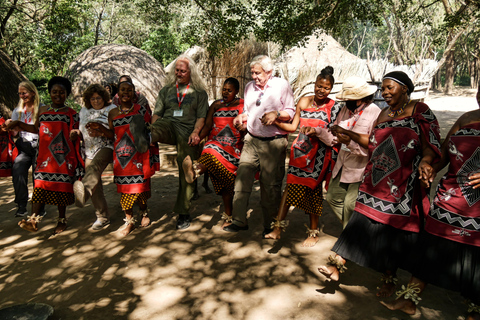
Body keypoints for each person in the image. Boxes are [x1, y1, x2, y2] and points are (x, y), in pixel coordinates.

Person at [317, 71, 441, 298]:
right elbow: (372, 144)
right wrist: (349, 135)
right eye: (382, 89)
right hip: (375, 182)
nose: (384, 92)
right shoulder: (384, 114)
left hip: (404, 186)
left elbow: (431, 145)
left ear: (404, 88)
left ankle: (389, 281)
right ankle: (336, 265)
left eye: (389, 88)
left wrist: (426, 161)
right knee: (358, 223)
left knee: (393, 236)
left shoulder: (419, 111)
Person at [381, 86, 480, 318]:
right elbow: (444, 154)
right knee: (431, 248)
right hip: (450, 197)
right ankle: (408, 299)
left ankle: (475, 307)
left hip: (476, 208)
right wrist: (430, 168)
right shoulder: (466, 118)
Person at [264, 66, 341, 247]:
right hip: (299, 152)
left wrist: (317, 132)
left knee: (313, 190)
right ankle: (277, 228)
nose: (321, 90)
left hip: (320, 155)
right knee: (290, 186)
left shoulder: (335, 107)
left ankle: (313, 233)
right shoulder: (304, 101)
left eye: (326, 87)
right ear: (314, 84)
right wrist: (275, 121)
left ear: (331, 89)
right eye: (318, 86)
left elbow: (334, 135)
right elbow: (293, 127)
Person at [130, 54, 209, 230]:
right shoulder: (166, 91)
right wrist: (153, 129)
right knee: (160, 124)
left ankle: (183, 212)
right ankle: (148, 136)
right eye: (177, 70)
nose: (179, 73)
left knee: (185, 166)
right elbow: (157, 114)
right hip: (168, 125)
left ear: (191, 73)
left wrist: (196, 133)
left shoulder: (199, 93)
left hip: (188, 131)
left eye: (183, 71)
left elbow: (202, 117)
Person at [223, 55, 295, 235]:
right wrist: (241, 118)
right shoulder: (249, 87)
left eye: (257, 73)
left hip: (274, 142)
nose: (254, 76)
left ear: (269, 72)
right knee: (242, 177)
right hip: (251, 139)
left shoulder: (281, 85)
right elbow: (248, 111)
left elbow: (290, 111)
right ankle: (239, 220)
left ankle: (271, 225)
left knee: (270, 185)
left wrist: (276, 114)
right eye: (252, 73)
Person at [7, 76, 81, 234]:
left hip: (63, 157)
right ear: (50, 93)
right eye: (54, 92)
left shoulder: (72, 113)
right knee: (39, 187)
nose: (58, 95)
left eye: (62, 92)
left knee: (61, 189)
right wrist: (19, 124)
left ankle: (62, 220)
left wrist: (75, 133)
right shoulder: (42, 111)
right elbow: (36, 129)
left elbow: (75, 132)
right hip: (44, 156)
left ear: (66, 94)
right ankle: (33, 220)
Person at [313, 76, 381, 229]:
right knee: (332, 197)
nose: (344, 101)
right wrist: (317, 131)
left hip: (361, 168)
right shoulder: (346, 109)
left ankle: (348, 242)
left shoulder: (374, 112)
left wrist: (348, 142)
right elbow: (333, 134)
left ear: (359, 99)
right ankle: (351, 234)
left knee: (350, 204)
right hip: (343, 164)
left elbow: (372, 145)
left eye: (348, 98)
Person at [182, 78, 244, 227]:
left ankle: (228, 215)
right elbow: (208, 125)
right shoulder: (216, 105)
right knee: (209, 149)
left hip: (232, 147)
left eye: (229, 90)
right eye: (224, 89)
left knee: (226, 184)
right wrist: (198, 137)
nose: (225, 92)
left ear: (236, 92)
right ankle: (195, 172)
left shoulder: (243, 104)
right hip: (215, 143)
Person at [107, 80, 153, 237]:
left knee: (140, 188)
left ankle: (144, 212)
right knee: (125, 190)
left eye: (129, 90)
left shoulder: (141, 110)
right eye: (122, 90)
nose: (126, 92)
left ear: (134, 93)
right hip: (121, 157)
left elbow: (149, 131)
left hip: (139, 156)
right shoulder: (113, 113)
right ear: (118, 94)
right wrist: (99, 129)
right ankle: (130, 221)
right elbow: (112, 134)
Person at [70, 84, 116, 230]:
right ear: (88, 100)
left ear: (104, 98)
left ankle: (83, 193)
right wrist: (76, 133)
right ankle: (102, 217)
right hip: (88, 149)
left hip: (106, 147)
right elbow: (81, 129)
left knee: (94, 169)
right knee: (96, 184)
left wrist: (101, 131)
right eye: (93, 98)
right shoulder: (84, 111)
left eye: (99, 98)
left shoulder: (111, 109)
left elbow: (115, 133)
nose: (96, 101)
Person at [6, 81, 43, 217]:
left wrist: (20, 125)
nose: (22, 96)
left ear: (33, 93)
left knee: (37, 177)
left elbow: (40, 130)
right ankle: (22, 205)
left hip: (39, 146)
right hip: (24, 145)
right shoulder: (18, 110)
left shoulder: (42, 109)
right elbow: (16, 133)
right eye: (20, 93)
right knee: (18, 171)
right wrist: (10, 127)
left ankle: (39, 207)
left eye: (25, 93)